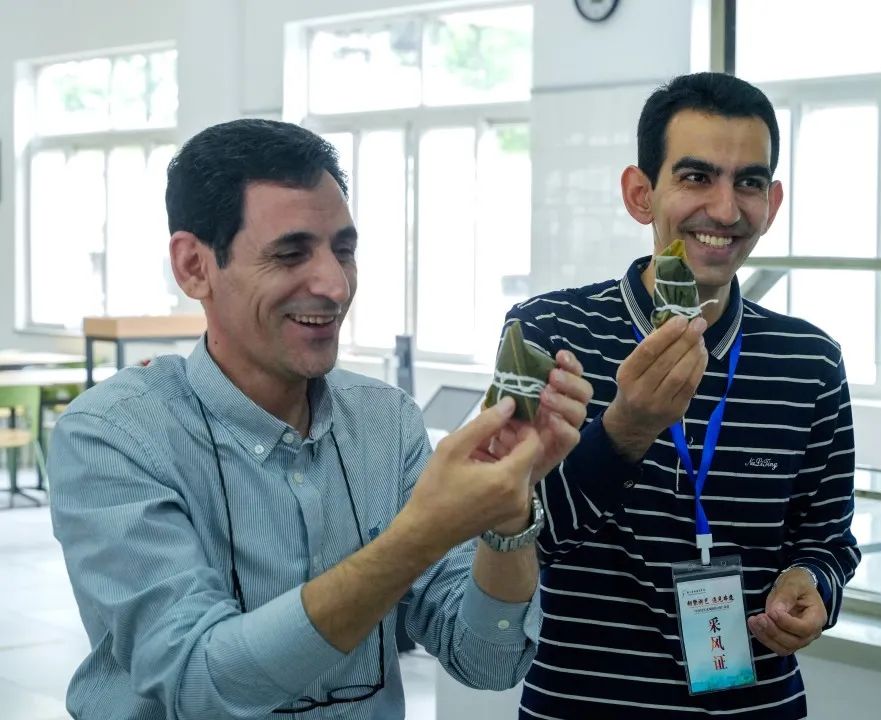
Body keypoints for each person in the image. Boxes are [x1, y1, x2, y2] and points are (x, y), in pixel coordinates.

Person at [47, 118, 593, 719]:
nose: (334, 285)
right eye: (290, 253)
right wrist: (419, 536)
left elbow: (486, 660)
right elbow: (200, 687)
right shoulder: (115, 436)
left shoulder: (385, 424)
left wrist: (510, 505)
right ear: (194, 266)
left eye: (344, 250)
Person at [501, 72, 861, 719]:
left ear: (773, 201)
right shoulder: (547, 334)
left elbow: (829, 539)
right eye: (696, 177)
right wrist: (624, 431)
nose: (724, 210)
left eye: (748, 183)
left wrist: (812, 584)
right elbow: (509, 536)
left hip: (754, 707)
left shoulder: (810, 362)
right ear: (640, 194)